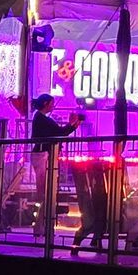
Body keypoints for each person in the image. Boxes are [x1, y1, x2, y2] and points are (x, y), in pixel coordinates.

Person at [29, 94, 82, 243]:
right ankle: (42, 227)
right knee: (44, 193)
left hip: (43, 155)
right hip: (43, 156)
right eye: (52, 103)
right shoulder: (41, 118)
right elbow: (59, 133)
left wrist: (71, 126)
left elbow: (58, 132)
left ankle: (43, 227)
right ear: (46, 103)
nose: (53, 106)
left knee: (45, 192)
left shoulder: (40, 118)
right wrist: (72, 125)